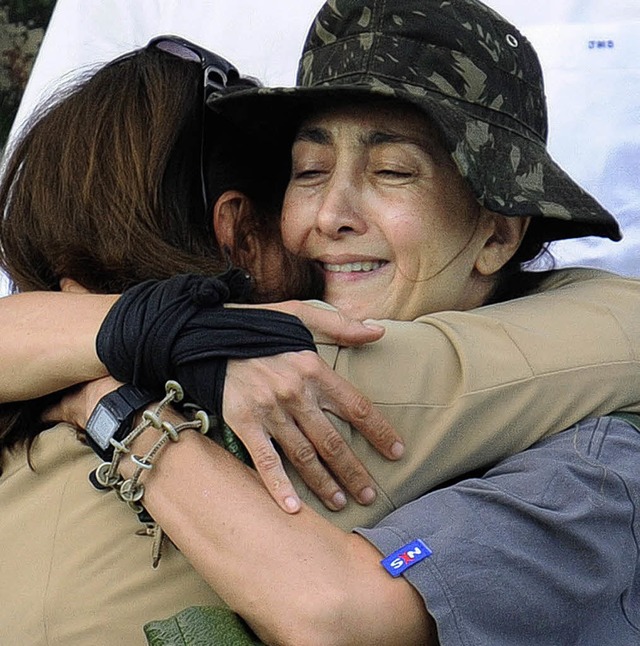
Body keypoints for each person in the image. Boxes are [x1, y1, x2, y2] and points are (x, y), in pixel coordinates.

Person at [0, 4, 639, 644]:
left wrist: (108, 399)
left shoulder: (593, 455)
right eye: (307, 173)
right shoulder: (228, 369)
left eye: (392, 172)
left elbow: (339, 615)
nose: (330, 213)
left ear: (498, 233)